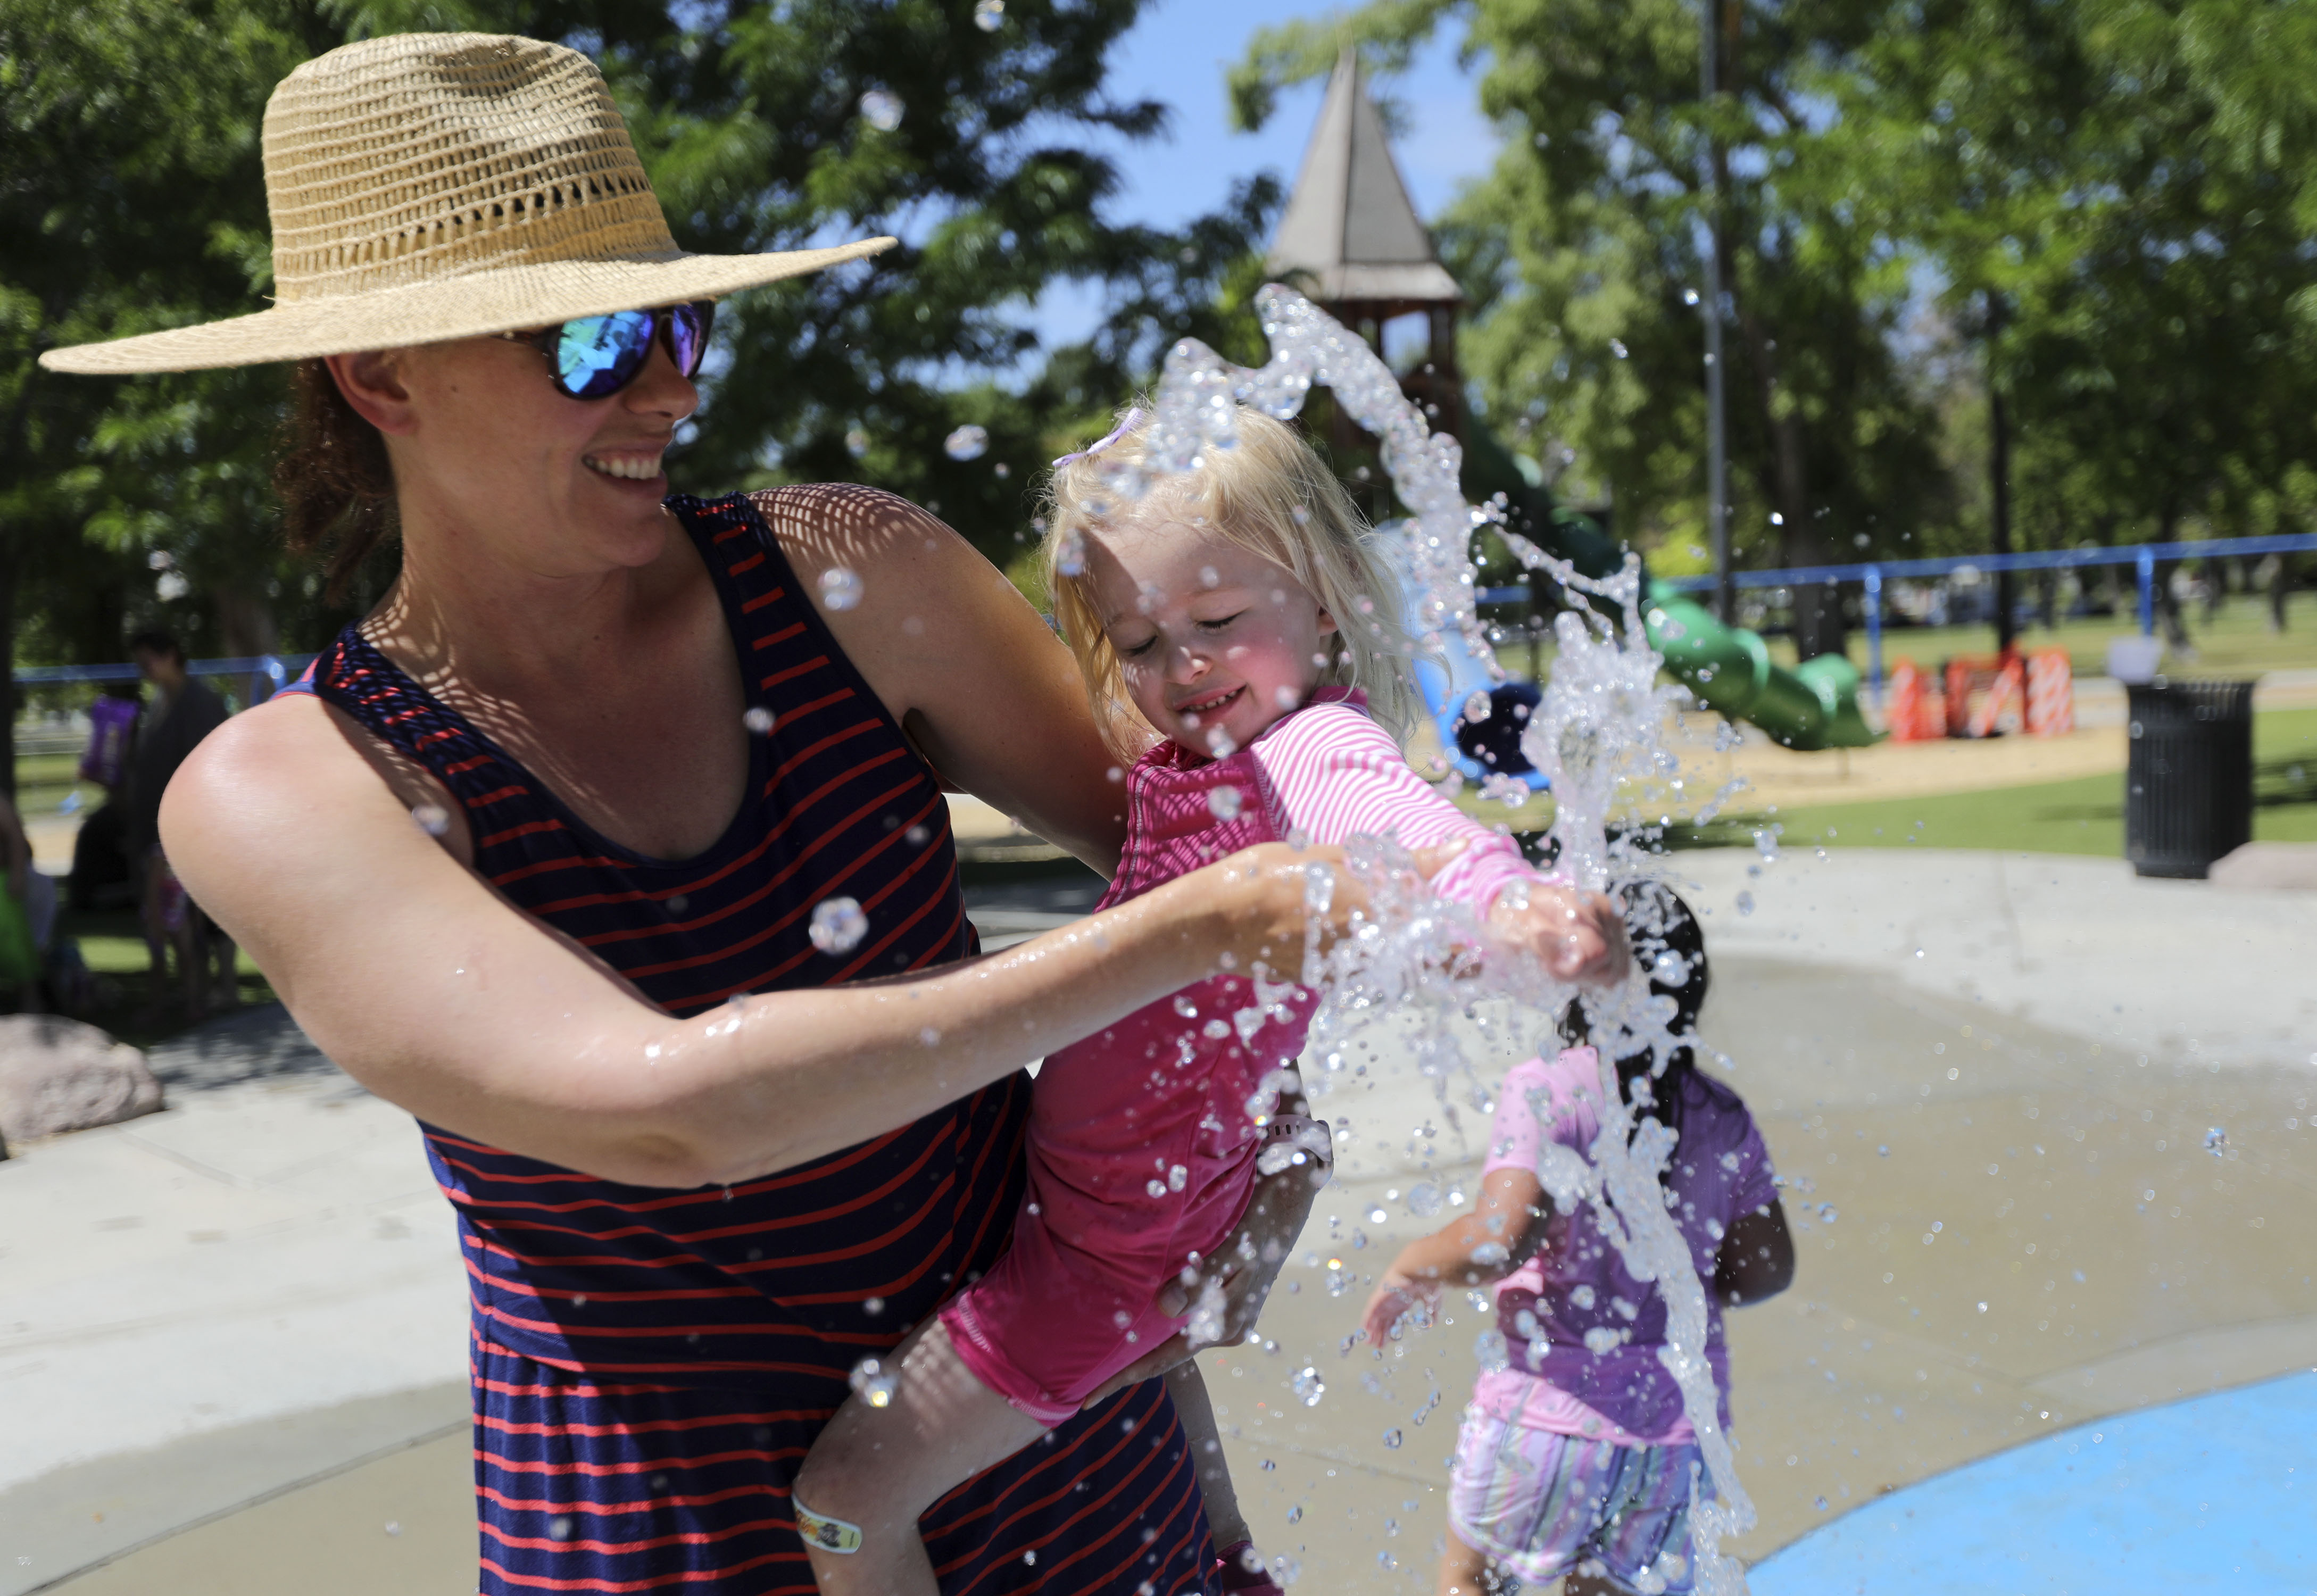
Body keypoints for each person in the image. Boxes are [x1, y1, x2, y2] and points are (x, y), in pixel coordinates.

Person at [40, 34, 1625, 1595]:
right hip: (674, 1552)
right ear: (380, 374)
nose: (667, 384)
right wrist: (1195, 933)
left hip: (1083, 1498)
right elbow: (669, 1112)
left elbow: (1227, 824)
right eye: (593, 343)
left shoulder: (853, 577)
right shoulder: (288, 783)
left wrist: (1264, 1145)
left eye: (680, 324)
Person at [792, 407, 1613, 1596]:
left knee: (845, 1501)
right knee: (1163, 1367)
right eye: (1136, 642)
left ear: (1323, 602)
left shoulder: (1306, 749)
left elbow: (1398, 822)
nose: (1179, 669)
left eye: (1216, 624)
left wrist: (1502, 898)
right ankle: (1228, 1567)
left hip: (1103, 1245)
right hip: (1138, 1198)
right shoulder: (1203, 755)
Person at [1362, 884, 1793, 1596]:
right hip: (1669, 1434)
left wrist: (1412, 1264)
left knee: (1471, 1581)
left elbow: (1500, 1238)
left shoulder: (1551, 1089)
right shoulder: (1719, 1114)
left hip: (1542, 1420)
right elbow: (1766, 1271)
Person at [121, 630, 232, 1017]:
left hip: (187, 833)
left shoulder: (200, 702)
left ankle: (206, 995)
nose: (144, 668)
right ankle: (180, 997)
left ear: (171, 654)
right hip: (155, 833)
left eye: (149, 659)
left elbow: (207, 768)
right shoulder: (156, 705)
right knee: (162, 920)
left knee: (191, 920)